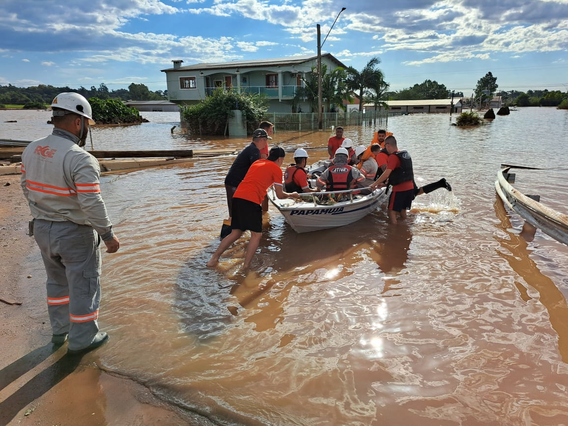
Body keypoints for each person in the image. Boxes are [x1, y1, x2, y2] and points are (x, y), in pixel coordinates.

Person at [20, 92, 120, 355]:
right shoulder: (80, 158)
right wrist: (108, 234)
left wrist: (46, 210)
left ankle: (59, 332)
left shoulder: (31, 149)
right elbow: (91, 203)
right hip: (74, 233)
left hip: (42, 229)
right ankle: (83, 339)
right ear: (78, 122)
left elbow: (25, 187)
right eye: (86, 123)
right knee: (84, 285)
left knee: (56, 283)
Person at [207, 147, 300, 269]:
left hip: (237, 197)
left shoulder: (257, 162)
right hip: (250, 201)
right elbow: (280, 195)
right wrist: (292, 195)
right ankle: (246, 267)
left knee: (235, 233)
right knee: (256, 235)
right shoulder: (276, 169)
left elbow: (257, 179)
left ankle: (213, 259)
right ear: (280, 159)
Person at [224, 128, 270, 218]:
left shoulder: (251, 148)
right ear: (262, 140)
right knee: (236, 215)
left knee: (236, 214)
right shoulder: (254, 150)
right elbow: (256, 170)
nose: (266, 143)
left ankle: (235, 230)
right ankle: (230, 231)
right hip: (234, 184)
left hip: (234, 183)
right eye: (266, 141)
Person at [370, 136, 416, 224]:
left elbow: (387, 173)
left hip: (400, 189)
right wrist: (384, 185)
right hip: (410, 188)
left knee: (391, 211)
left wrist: (374, 184)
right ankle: (405, 229)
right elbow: (400, 174)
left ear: (387, 145)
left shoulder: (393, 157)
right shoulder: (405, 154)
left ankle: (393, 231)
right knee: (403, 210)